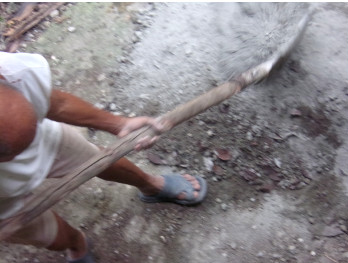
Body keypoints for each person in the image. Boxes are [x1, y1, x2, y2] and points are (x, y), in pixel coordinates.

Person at [0, 52, 207, 262]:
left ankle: (150, 185)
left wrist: (119, 124)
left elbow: (56, 103)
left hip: (45, 139)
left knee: (99, 160)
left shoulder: (13, 71)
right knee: (44, 233)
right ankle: (76, 244)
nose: (20, 159)